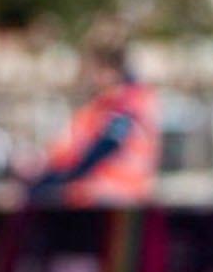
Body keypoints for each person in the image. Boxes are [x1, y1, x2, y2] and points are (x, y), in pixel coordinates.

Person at [29, 21, 159, 207]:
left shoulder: (127, 103)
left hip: (109, 197)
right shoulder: (103, 106)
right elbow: (64, 153)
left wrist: (52, 181)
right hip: (102, 193)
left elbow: (105, 146)